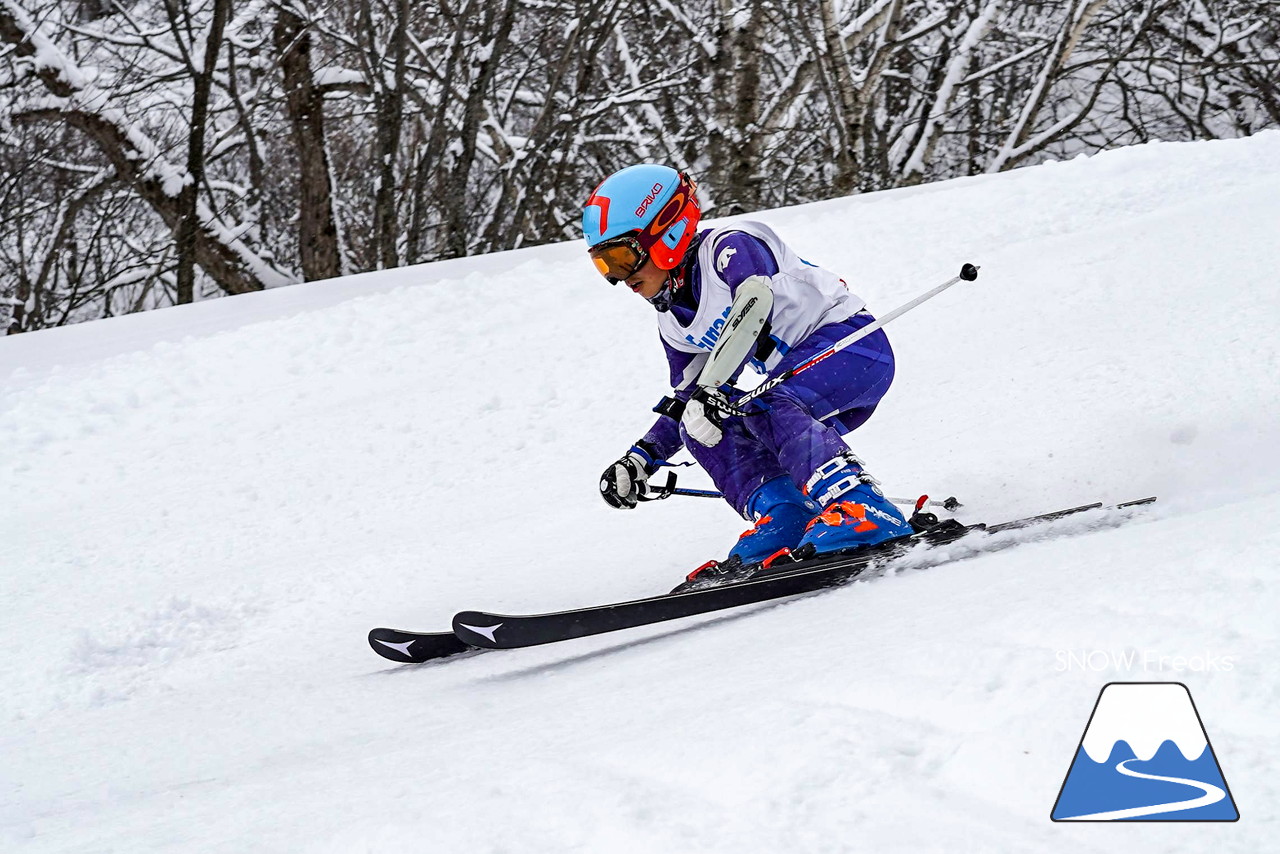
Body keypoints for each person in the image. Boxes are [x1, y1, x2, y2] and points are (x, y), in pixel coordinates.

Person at [584, 163, 913, 576]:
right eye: (603, 266)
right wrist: (641, 459)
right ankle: (788, 514)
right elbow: (688, 401)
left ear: (666, 232)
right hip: (800, 380)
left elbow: (755, 303)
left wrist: (712, 388)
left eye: (621, 257)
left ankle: (864, 508)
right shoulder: (673, 319)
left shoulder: (730, 248)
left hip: (855, 349)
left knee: (769, 403)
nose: (618, 278)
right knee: (701, 424)